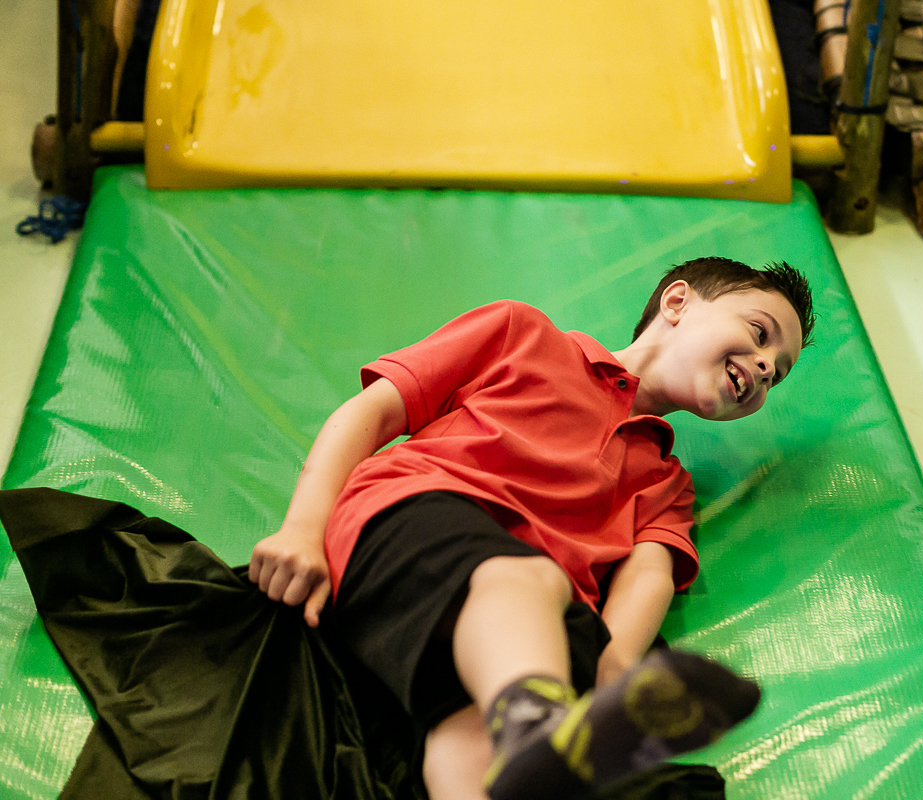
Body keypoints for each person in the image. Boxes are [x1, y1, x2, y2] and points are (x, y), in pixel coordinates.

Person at [247, 256, 815, 800]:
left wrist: (608, 675)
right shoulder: (521, 333)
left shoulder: (665, 480)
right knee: (526, 576)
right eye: (761, 334)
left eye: (779, 374)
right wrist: (303, 528)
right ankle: (539, 724)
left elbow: (649, 576)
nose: (767, 368)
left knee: (471, 747)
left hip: (515, 639)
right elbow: (373, 413)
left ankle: (538, 737)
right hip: (411, 524)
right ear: (676, 302)